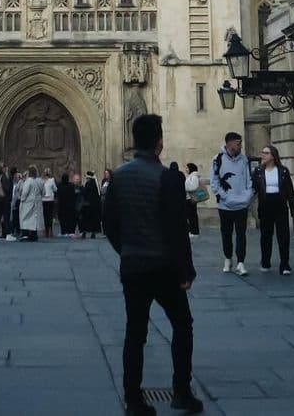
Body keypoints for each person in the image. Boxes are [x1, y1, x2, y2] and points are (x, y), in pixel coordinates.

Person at [103, 113, 202, 415]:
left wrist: (128, 250)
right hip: (163, 267)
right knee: (182, 325)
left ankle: (134, 400)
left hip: (133, 266)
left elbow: (109, 224)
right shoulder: (168, 178)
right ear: (159, 143)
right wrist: (186, 272)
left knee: (135, 333)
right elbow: (176, 229)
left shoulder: (118, 176)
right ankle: (181, 392)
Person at [210, 131, 253, 277]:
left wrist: (248, 196)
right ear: (229, 144)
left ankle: (241, 262)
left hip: (242, 204)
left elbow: (249, 179)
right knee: (226, 233)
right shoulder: (218, 159)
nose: (240, 145)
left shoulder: (244, 159)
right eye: (238, 143)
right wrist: (224, 197)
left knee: (241, 234)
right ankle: (228, 258)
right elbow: (214, 182)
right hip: (225, 205)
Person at [253, 144, 294, 275]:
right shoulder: (258, 172)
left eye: (266, 153)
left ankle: (285, 264)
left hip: (280, 205)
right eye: (262, 153)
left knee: (283, 236)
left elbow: (289, 191)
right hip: (265, 205)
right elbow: (253, 189)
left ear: (273, 156)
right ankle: (265, 261)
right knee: (265, 236)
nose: (263, 155)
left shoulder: (283, 171)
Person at [17, 165, 44, 241]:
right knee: (34, 220)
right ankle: (34, 235)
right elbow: (44, 192)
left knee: (25, 218)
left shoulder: (28, 181)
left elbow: (25, 192)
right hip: (37, 202)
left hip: (27, 203)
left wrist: (22, 199)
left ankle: (25, 234)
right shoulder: (39, 181)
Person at [81, 172, 102, 239]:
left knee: (86, 219)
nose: (86, 179)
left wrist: (82, 188)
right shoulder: (95, 184)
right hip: (95, 205)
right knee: (93, 220)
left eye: (87, 178)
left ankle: (84, 233)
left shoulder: (88, 184)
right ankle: (93, 233)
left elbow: (85, 193)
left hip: (88, 205)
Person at [56, 172, 78, 237]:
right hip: (70, 205)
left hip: (62, 206)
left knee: (63, 219)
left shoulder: (59, 186)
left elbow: (58, 195)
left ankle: (64, 232)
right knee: (70, 219)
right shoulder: (71, 185)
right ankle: (71, 231)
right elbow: (74, 195)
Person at [183, 163, 201, 238]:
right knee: (190, 215)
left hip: (191, 199)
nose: (186, 169)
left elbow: (193, 187)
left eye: (187, 168)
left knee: (192, 216)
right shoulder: (191, 176)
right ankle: (192, 230)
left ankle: (194, 231)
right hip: (188, 198)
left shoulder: (194, 176)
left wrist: (185, 187)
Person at [41, 168, 57, 238]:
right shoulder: (51, 180)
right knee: (49, 215)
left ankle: (47, 231)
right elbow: (55, 189)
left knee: (45, 216)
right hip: (49, 200)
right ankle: (49, 230)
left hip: (45, 200)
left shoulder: (42, 180)